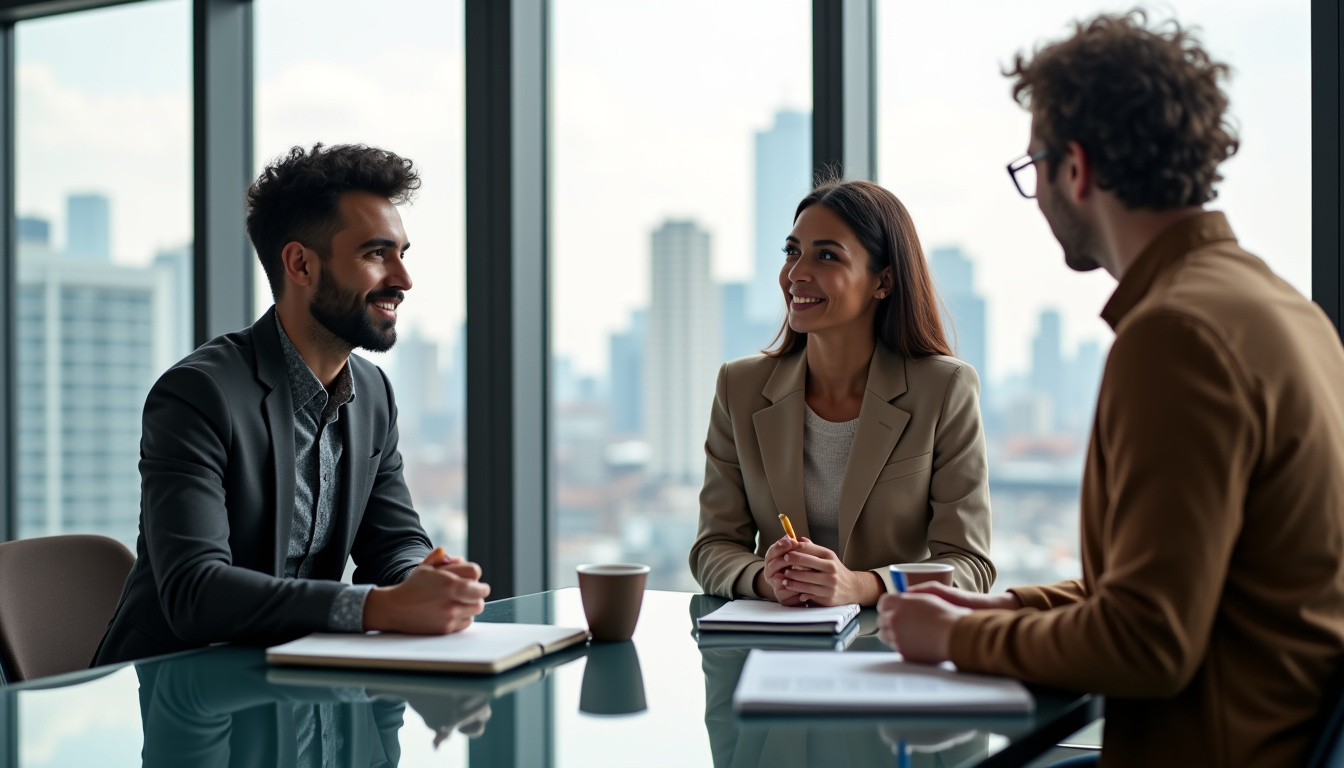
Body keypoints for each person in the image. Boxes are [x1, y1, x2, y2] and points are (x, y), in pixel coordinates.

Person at [877, 12, 1344, 767]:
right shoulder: (1284, 311)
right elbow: (1157, 584)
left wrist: (958, 637)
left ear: (1077, 168)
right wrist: (1004, 608)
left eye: (1033, 167)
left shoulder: (1176, 336)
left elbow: (1146, 639)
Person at [95, 144, 488, 666]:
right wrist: (375, 609)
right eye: (376, 254)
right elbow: (196, 592)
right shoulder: (197, 395)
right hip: (188, 698)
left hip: (302, 689)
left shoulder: (372, 395)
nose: (402, 278)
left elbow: (393, 544)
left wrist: (425, 579)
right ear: (300, 264)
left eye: (402, 253)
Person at [689, 179, 995, 608]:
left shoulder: (944, 389)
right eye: (792, 251)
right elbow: (712, 547)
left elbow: (969, 565)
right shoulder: (739, 387)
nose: (796, 273)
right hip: (774, 645)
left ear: (882, 281)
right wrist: (767, 579)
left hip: (889, 645)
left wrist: (861, 587)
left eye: (827, 255)